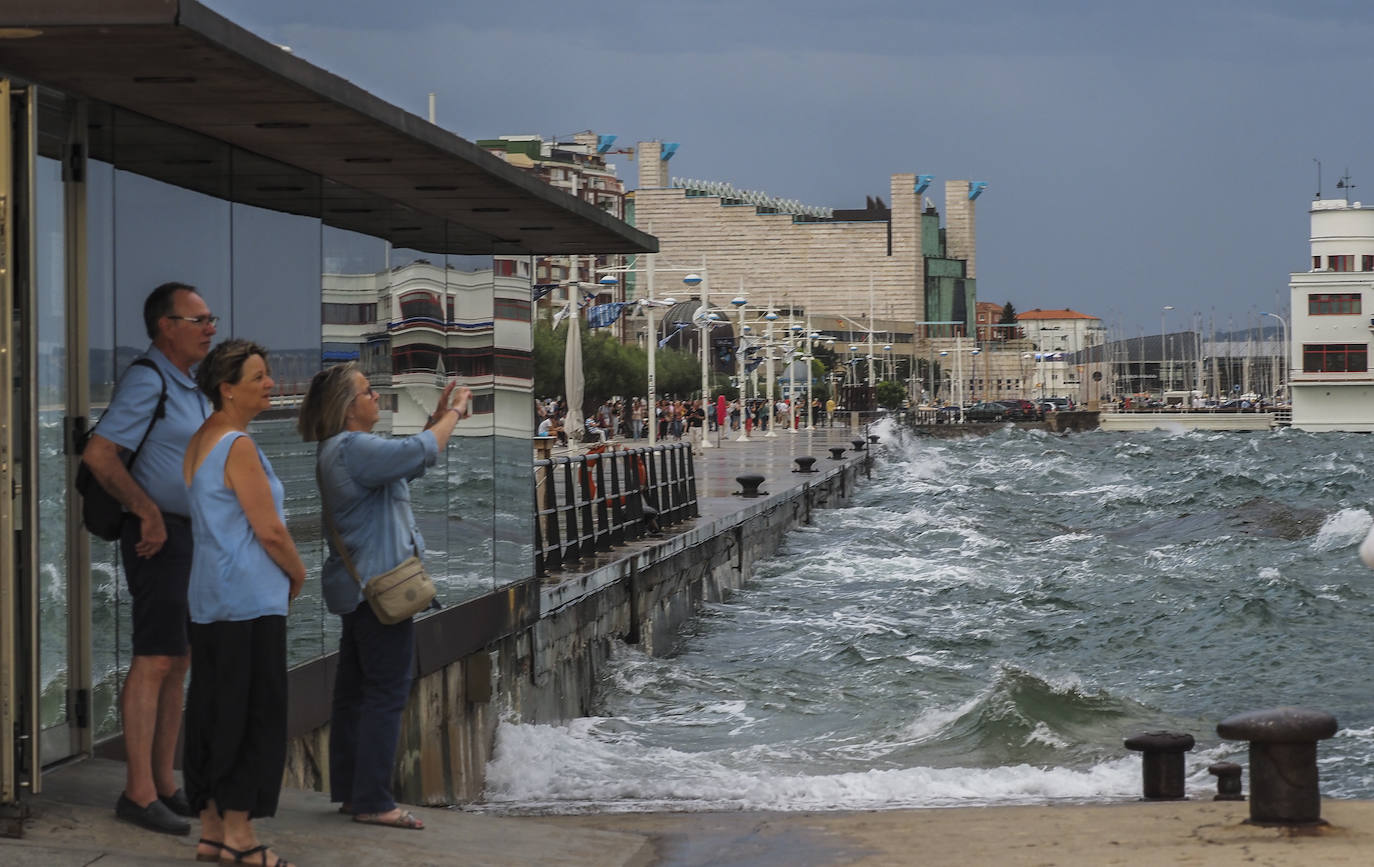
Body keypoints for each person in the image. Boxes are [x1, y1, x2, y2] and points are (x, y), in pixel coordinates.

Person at [298, 363, 472, 832]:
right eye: (368, 392)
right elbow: (420, 451)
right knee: (384, 694)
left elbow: (406, 462)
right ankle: (374, 799)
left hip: (359, 592)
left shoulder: (343, 451)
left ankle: (355, 793)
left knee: (355, 694)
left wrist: (434, 421)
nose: (376, 396)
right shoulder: (353, 448)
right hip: (380, 592)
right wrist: (454, 413)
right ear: (348, 408)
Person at [81, 282, 216, 835]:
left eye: (211, 317)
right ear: (167, 326)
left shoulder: (190, 384)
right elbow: (100, 454)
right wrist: (148, 511)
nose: (211, 326)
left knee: (178, 660)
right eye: (199, 318)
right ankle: (137, 792)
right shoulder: (149, 379)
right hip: (156, 539)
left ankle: (163, 782)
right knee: (155, 658)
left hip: (189, 537)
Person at [182, 338, 306, 866]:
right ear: (227, 389)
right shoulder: (237, 445)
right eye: (259, 377)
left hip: (211, 596)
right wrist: (298, 576)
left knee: (212, 709)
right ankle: (239, 835)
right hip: (249, 600)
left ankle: (212, 829)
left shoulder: (200, 440)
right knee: (252, 713)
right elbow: (271, 531)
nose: (270, 384)